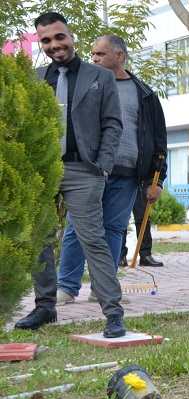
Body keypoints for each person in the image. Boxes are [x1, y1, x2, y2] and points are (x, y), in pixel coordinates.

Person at [14, 12, 125, 338]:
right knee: (40, 241)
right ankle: (45, 307)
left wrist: (102, 167)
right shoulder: (34, 80)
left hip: (83, 169)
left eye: (59, 37)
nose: (54, 45)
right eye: (46, 40)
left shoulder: (99, 77)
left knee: (93, 240)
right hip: (43, 171)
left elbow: (113, 124)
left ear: (71, 35)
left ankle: (113, 314)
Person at [56, 34, 167, 307]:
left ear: (119, 56)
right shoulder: (85, 85)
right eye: (92, 54)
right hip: (89, 170)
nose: (93, 59)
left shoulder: (144, 93)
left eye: (100, 54)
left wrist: (158, 179)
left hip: (127, 172)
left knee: (114, 229)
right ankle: (66, 287)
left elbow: (158, 139)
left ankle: (102, 288)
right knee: (76, 227)